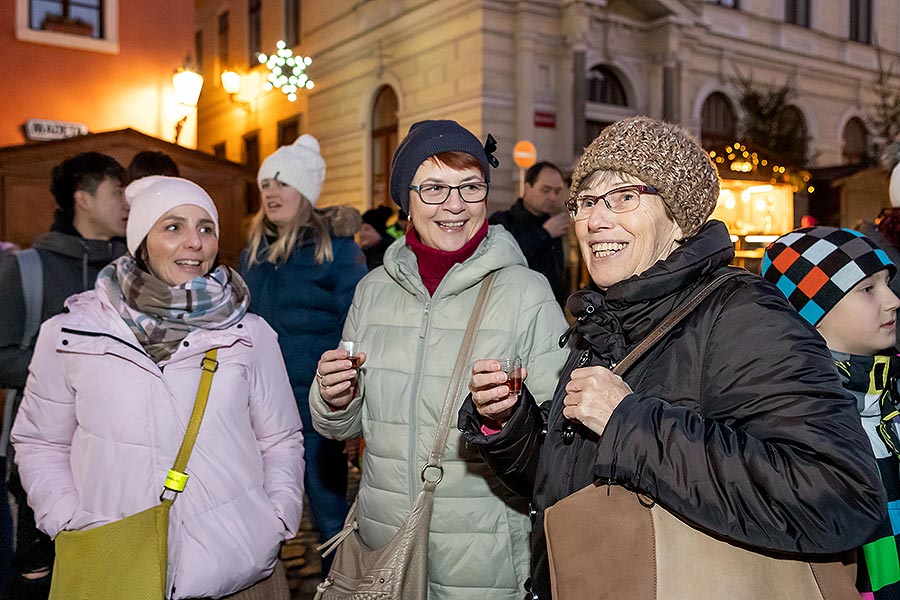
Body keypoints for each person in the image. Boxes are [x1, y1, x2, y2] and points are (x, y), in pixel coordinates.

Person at [459, 116, 886, 600]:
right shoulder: (602, 321)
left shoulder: (742, 315)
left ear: (680, 217)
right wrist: (508, 423)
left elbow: (841, 495)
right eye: (586, 202)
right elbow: (568, 490)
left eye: (624, 197)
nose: (596, 220)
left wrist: (629, 422)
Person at [11, 176, 304, 600]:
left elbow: (280, 439)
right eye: (173, 227)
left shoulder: (248, 334)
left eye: (206, 228)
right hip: (115, 565)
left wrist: (274, 520)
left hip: (239, 572)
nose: (194, 242)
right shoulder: (71, 334)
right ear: (141, 241)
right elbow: (40, 442)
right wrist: (67, 519)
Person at [311, 120, 568, 599]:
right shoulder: (373, 292)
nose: (454, 205)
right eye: (433, 188)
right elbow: (342, 428)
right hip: (384, 541)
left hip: (483, 558)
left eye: (470, 187)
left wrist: (505, 420)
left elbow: (560, 439)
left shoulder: (526, 292)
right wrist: (333, 396)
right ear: (405, 200)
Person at [0, 151, 128, 599]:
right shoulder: (26, 269)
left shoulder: (131, 272)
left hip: (117, 457)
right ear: (84, 199)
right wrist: (68, 366)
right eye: (117, 192)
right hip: (47, 459)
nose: (128, 202)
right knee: (41, 580)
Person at [239, 134, 367, 573]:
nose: (271, 192)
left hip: (313, 411)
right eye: (266, 185)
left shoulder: (338, 250)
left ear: (306, 192)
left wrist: (346, 399)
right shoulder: (253, 251)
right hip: (256, 410)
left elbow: (357, 327)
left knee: (329, 515)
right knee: (256, 516)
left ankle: (341, 586)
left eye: (282, 184)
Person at [763, 226, 900, 598]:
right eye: (867, 289)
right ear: (813, 314)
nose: (892, 300)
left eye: (887, 283)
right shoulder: (794, 416)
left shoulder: (888, 392)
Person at [489, 161, 570, 305]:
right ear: (526, 188)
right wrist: (545, 234)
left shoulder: (554, 225)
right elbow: (503, 260)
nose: (553, 197)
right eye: (546, 190)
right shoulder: (502, 221)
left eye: (557, 191)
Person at [358, 205, 394, 269]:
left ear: (378, 231)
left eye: (367, 229)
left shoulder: (390, 253)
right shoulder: (363, 253)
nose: (361, 234)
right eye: (360, 229)